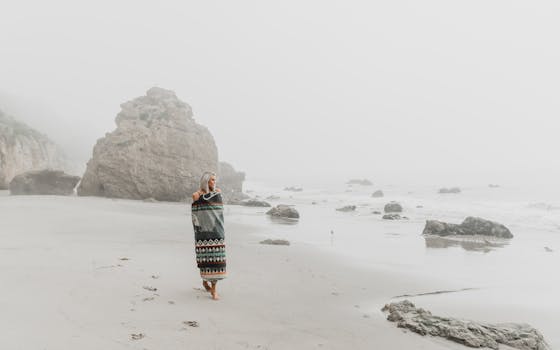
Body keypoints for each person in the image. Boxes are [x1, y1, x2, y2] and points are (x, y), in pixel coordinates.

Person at [191, 171, 226, 300]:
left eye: (215, 179)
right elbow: (196, 214)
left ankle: (214, 289)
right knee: (205, 260)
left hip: (217, 230)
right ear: (206, 181)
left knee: (217, 261)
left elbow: (219, 211)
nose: (214, 182)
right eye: (211, 180)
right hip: (203, 232)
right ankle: (205, 281)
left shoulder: (218, 192)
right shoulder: (196, 195)